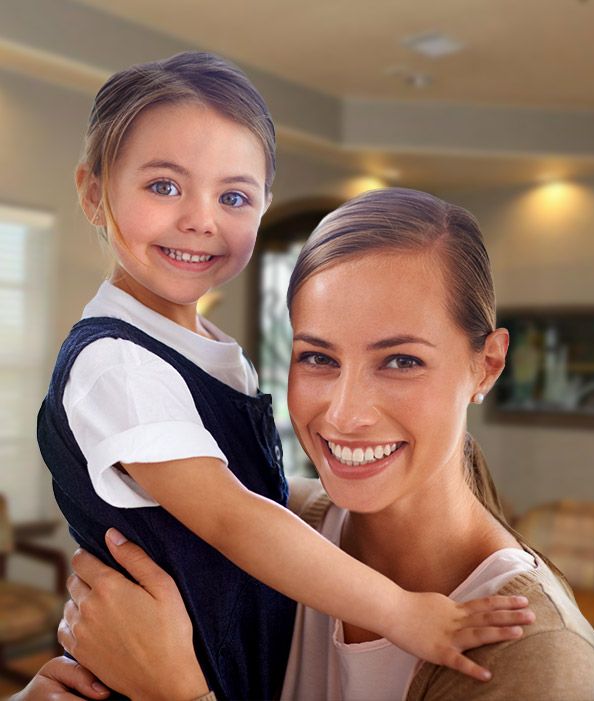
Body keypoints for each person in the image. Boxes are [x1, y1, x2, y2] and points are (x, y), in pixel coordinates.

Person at [33, 54, 530, 701]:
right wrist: (404, 611)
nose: (200, 218)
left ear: (263, 208)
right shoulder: (117, 365)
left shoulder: (208, 349)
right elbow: (235, 517)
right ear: (94, 192)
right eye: (164, 185)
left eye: (233, 196)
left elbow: (251, 484)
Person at [19, 188, 594, 701]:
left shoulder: (537, 655)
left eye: (401, 361)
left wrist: (175, 694)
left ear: (487, 365)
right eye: (318, 358)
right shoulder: (280, 529)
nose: (345, 413)